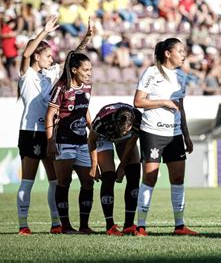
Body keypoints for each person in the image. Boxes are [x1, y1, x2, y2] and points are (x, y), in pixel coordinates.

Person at [133, 38, 196, 236]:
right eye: (180, 50)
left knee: (178, 178)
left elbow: (181, 107)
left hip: (175, 134)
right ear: (168, 53)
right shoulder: (151, 72)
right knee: (150, 178)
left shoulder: (181, 76)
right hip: (152, 132)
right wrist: (163, 102)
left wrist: (186, 135)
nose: (183, 54)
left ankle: (179, 226)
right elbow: (138, 102)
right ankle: (140, 225)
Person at [45, 19, 94, 234]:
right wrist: (50, 142)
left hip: (82, 142)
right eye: (86, 69)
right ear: (74, 70)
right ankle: (65, 225)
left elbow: (86, 110)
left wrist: (94, 129)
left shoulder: (88, 87)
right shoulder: (61, 88)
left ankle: (84, 226)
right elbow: (50, 115)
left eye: (90, 69)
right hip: (63, 142)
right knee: (63, 182)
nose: (89, 73)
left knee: (88, 183)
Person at [16, 16, 60, 235]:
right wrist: (44, 31)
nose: (51, 60)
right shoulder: (27, 75)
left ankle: (56, 224)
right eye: (48, 56)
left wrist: (86, 40)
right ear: (37, 56)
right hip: (31, 132)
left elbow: (72, 60)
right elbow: (25, 54)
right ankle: (23, 225)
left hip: (48, 132)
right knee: (28, 180)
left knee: (54, 180)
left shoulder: (49, 75)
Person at [88, 103, 142, 236]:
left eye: (125, 130)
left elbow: (131, 142)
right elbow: (91, 140)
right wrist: (94, 165)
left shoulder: (139, 119)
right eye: (120, 129)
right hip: (104, 137)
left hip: (126, 140)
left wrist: (122, 166)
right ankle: (110, 226)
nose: (121, 132)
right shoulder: (102, 121)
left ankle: (129, 224)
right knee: (109, 176)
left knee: (134, 173)